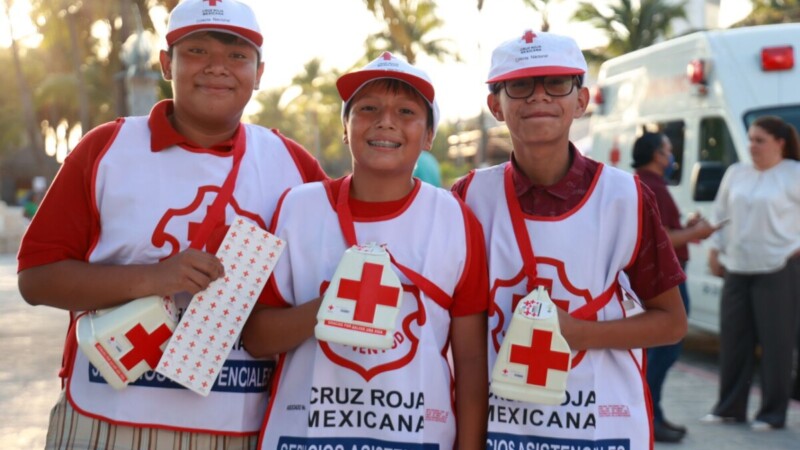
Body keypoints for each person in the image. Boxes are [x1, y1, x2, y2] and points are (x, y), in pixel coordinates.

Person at [16, 0, 326, 449]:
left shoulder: (293, 164)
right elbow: (36, 278)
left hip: (240, 422)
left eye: (238, 55)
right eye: (197, 51)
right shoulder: (108, 148)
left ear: (259, 73)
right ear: (167, 63)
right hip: (109, 416)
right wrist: (153, 277)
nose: (218, 67)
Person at [452, 30, 688, 448]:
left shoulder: (625, 197)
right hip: (504, 427)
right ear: (496, 106)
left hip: (599, 426)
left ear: (581, 100)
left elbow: (671, 322)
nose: (539, 97)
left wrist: (581, 333)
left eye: (557, 83)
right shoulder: (468, 198)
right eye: (520, 85)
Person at [242, 52, 489, 449]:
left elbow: (473, 360)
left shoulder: (455, 220)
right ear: (345, 128)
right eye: (368, 108)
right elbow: (256, 337)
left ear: (428, 137)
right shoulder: (298, 208)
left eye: (406, 111)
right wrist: (331, 306)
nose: (385, 120)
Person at [704, 115, 800, 431]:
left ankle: (772, 413)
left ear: (779, 143)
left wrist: (794, 248)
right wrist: (715, 250)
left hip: (777, 267)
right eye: (750, 139)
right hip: (737, 267)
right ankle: (729, 408)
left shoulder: (793, 174)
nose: (752, 146)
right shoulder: (736, 173)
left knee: (777, 344)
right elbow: (720, 214)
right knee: (733, 340)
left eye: (759, 140)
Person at [632, 132, 718, 442]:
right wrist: (700, 230)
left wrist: (690, 228)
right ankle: (649, 413)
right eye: (669, 150)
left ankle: (652, 412)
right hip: (665, 279)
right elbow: (662, 239)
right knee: (665, 351)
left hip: (657, 277)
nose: (672, 157)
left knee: (659, 351)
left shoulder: (642, 184)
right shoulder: (652, 187)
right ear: (657, 155)